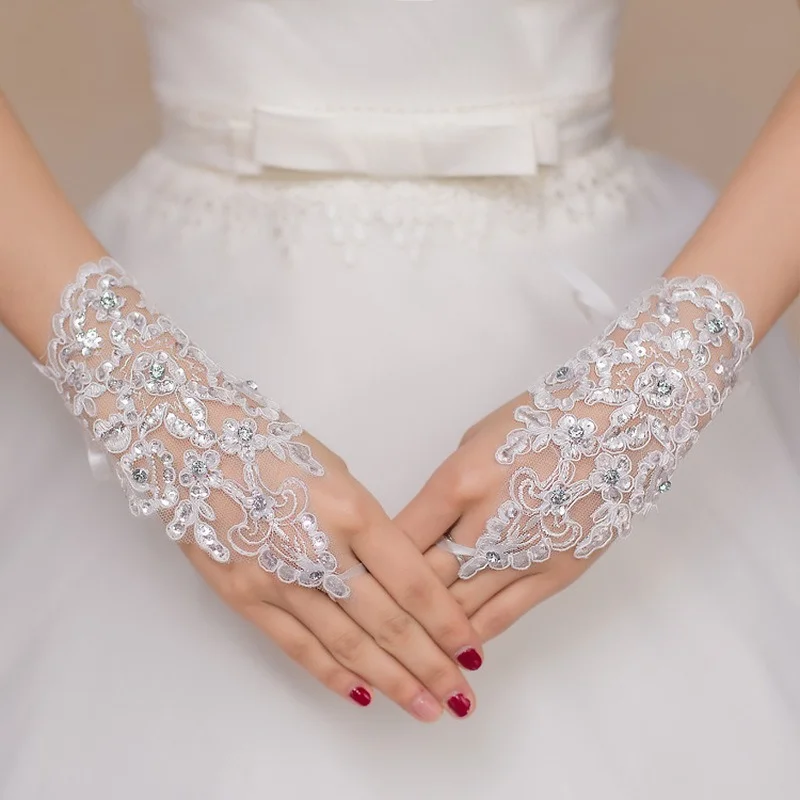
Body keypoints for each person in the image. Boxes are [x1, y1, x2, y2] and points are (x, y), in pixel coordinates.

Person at [0, 1, 798, 798]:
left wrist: (660, 384)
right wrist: (145, 399)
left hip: (626, 315)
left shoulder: (648, 386)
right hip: (172, 317)